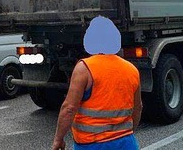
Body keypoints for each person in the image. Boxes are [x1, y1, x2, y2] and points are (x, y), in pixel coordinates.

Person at [52, 16, 142, 150]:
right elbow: (138, 107)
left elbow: (69, 108)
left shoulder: (84, 68)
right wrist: (126, 133)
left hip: (92, 145)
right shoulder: (132, 69)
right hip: (126, 143)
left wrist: (58, 139)